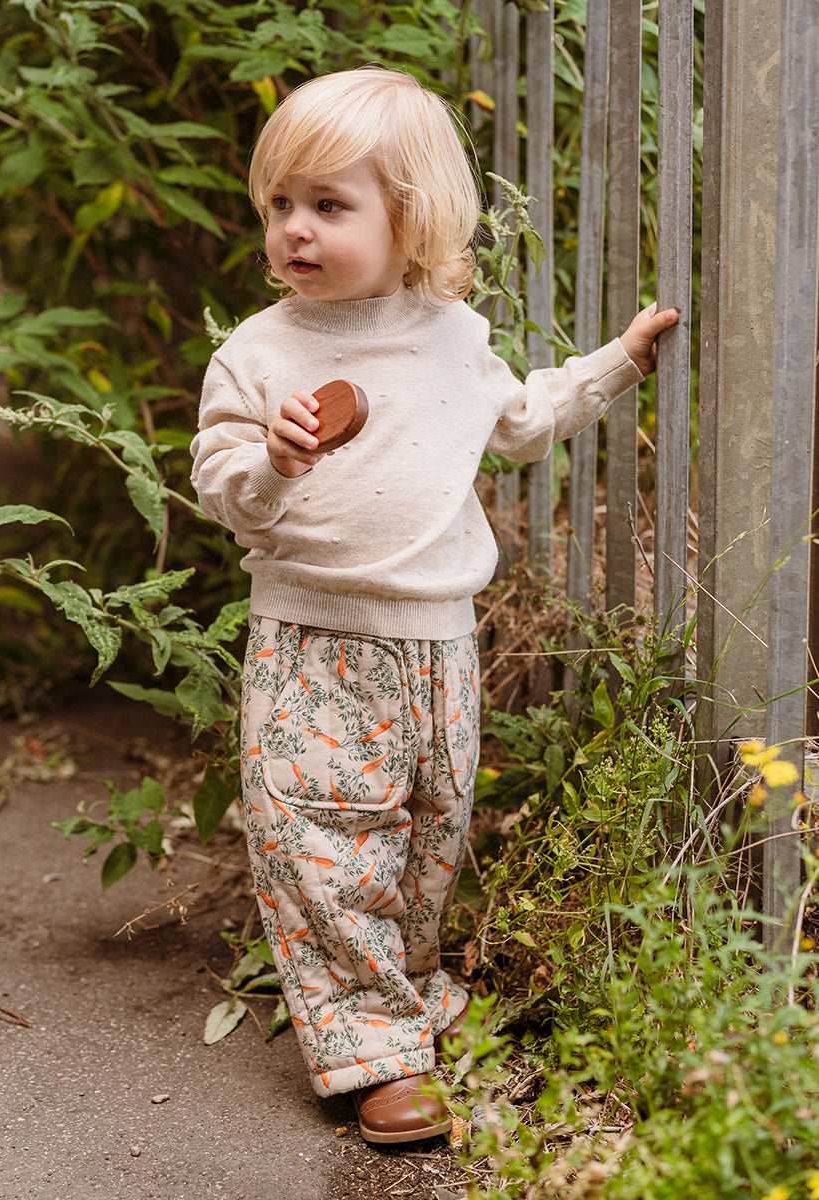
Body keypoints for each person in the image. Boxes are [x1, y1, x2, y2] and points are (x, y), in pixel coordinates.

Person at [190, 65, 677, 1144]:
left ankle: (402, 992)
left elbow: (522, 421)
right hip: (313, 639)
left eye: (329, 205)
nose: (295, 230)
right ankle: (371, 1051)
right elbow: (221, 485)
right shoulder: (260, 352)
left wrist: (619, 364)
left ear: (408, 218)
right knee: (320, 843)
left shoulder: (451, 335)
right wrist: (272, 460)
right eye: (281, 204)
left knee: (425, 838)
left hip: (438, 644)